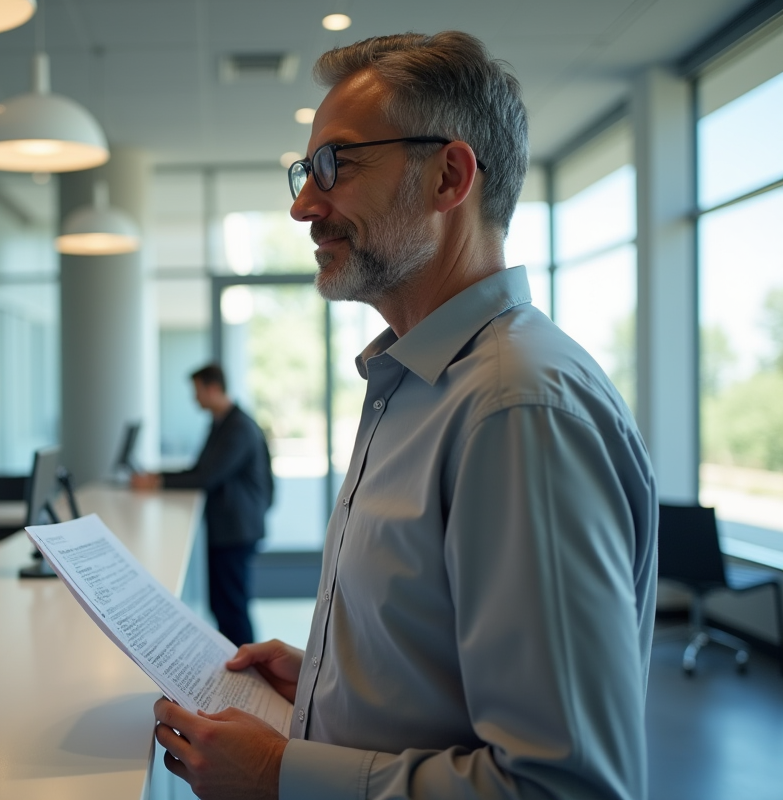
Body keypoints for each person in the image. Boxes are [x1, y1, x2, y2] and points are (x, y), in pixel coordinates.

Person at [152, 32, 658, 800]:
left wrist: (280, 773)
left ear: (449, 176)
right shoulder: (416, 383)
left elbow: (563, 788)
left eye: (335, 165)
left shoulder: (515, 408)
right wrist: (330, 682)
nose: (301, 205)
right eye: (304, 169)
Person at [131, 365, 273, 647]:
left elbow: (207, 476)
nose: (194, 399)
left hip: (237, 529)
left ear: (212, 388)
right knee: (223, 605)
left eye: (196, 392)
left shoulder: (238, 428)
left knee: (232, 606)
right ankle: (238, 665)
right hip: (229, 526)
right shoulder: (221, 423)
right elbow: (199, 469)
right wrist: (158, 477)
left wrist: (157, 482)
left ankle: (250, 670)